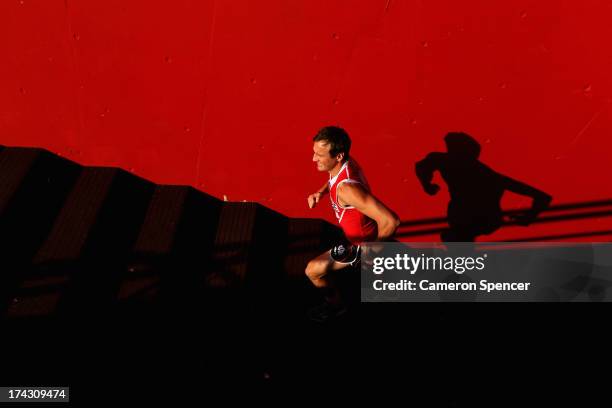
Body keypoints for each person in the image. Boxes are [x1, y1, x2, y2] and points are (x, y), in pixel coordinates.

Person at [306, 126, 400, 321]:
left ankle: (336, 307)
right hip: (361, 238)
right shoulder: (345, 164)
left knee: (313, 271)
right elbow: (332, 179)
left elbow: (390, 221)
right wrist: (321, 193)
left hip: (360, 247)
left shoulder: (347, 190)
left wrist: (369, 254)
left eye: (319, 155)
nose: (314, 159)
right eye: (315, 152)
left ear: (338, 156)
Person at [415, 132, 552, 242]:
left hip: (483, 220)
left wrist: (529, 217)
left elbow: (543, 197)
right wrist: (427, 185)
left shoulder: (487, 176)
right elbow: (423, 166)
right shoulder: (447, 162)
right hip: (479, 221)